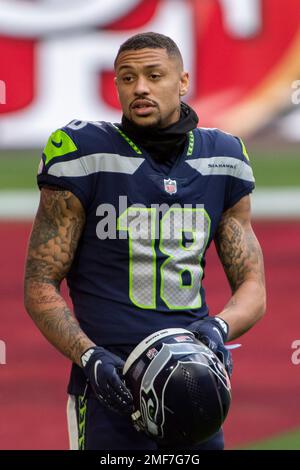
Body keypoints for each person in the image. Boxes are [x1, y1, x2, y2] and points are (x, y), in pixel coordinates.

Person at [24, 32, 266, 451]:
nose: (140, 87)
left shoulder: (222, 157)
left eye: (154, 75)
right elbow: (40, 282)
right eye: (127, 77)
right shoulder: (84, 153)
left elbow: (253, 285)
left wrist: (217, 327)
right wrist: (89, 356)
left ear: (183, 80)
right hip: (111, 382)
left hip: (195, 380)